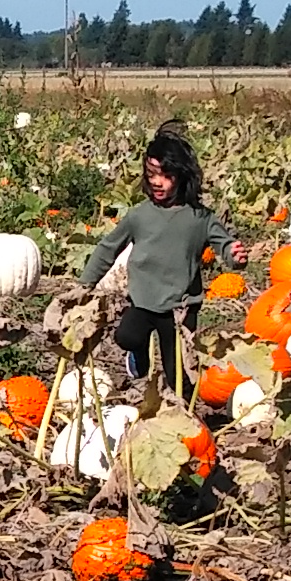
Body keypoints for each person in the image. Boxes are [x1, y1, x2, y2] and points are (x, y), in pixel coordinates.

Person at [77, 122, 234, 401]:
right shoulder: (140, 216)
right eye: (151, 174)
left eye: (165, 175)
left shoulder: (200, 218)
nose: (156, 182)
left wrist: (236, 256)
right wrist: (84, 285)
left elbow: (225, 247)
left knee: (178, 374)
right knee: (126, 337)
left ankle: (180, 413)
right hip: (144, 299)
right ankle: (138, 354)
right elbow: (107, 248)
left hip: (181, 307)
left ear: (182, 177)